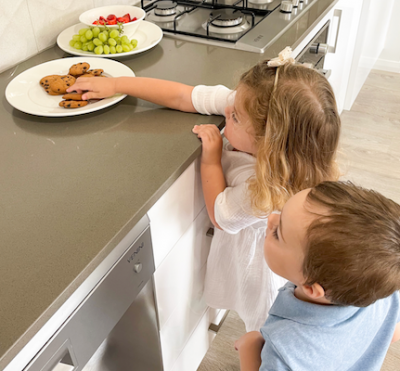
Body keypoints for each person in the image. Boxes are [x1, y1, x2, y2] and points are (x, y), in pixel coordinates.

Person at [67, 47, 341, 331]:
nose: (226, 111)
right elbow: (184, 95)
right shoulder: (255, 104)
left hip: (261, 267)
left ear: (269, 146)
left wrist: (211, 158)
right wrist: (116, 84)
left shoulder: (263, 191)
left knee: (262, 322)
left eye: (234, 118)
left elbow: (219, 215)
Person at [235, 181, 400, 371]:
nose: (271, 218)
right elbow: (393, 333)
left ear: (312, 288)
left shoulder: (285, 351)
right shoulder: (384, 290)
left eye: (278, 233)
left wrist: (250, 348)